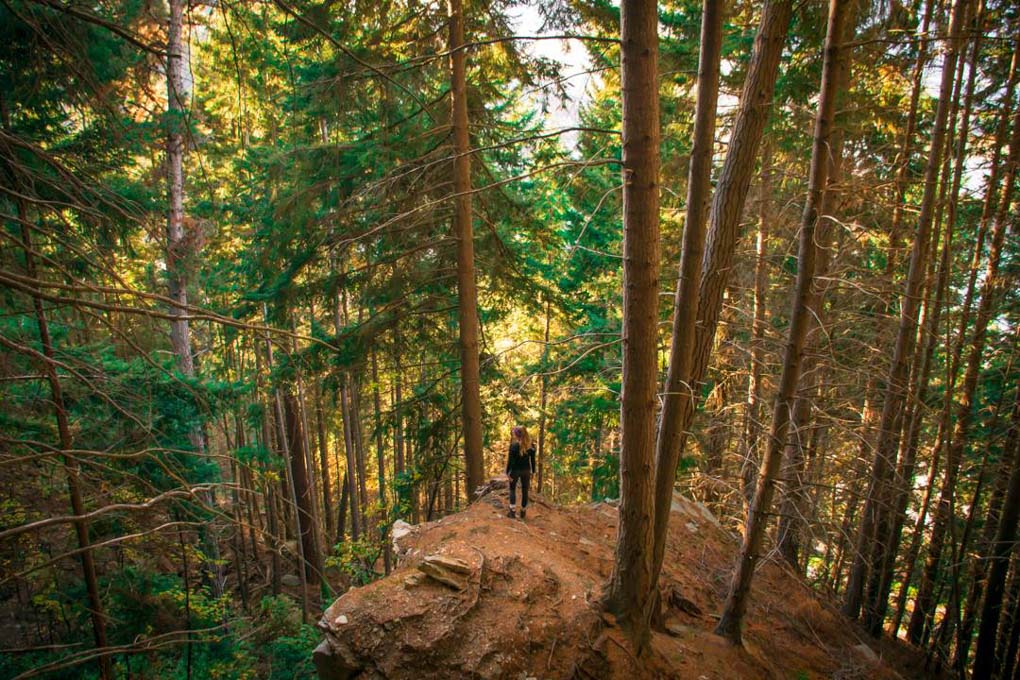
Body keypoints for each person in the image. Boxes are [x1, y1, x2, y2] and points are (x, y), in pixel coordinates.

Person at [505, 425, 536, 519]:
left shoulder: (513, 446)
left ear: (517, 435)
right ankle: (523, 512)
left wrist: (508, 472)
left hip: (515, 471)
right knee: (525, 490)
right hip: (526, 471)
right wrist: (533, 472)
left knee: (512, 489)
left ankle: (512, 512)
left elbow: (510, 461)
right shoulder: (531, 446)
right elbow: (533, 461)